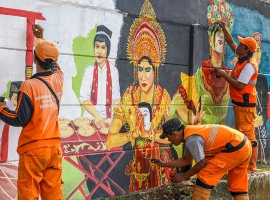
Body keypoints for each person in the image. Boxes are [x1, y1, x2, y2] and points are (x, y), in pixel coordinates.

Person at [106, 0, 174, 191]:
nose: (143, 75)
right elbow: (110, 140)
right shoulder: (129, 96)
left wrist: (151, 134)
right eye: (140, 69)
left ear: (155, 70)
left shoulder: (164, 97)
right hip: (138, 168)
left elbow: (173, 137)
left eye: (148, 70)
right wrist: (132, 134)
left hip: (161, 167)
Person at [0, 24, 64, 199]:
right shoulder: (59, 79)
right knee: (53, 195)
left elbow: (19, 118)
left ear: (34, 59)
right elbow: (53, 63)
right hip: (54, 149)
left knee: (28, 195)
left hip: (33, 152)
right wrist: (41, 39)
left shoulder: (29, 86)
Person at [152, 118, 251, 200]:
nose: (169, 141)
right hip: (244, 145)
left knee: (205, 175)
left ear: (174, 134)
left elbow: (202, 163)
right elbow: (186, 160)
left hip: (235, 147)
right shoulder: (189, 135)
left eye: (168, 137)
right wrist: (164, 164)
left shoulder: (192, 140)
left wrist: (184, 176)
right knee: (237, 185)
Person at [213, 21, 258, 173]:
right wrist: (224, 28)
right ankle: (245, 164)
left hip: (245, 107)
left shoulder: (249, 65)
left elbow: (240, 85)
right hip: (240, 104)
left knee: (248, 136)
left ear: (246, 49)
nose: (237, 46)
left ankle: (251, 167)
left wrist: (224, 75)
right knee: (242, 135)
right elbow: (231, 41)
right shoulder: (242, 57)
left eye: (241, 45)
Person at [80, 25, 120, 128]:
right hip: (90, 119)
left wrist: (113, 118)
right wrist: (97, 116)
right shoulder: (89, 70)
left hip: (108, 120)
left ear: (108, 50)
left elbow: (116, 98)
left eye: (103, 47)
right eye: (97, 46)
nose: (99, 51)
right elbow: (84, 98)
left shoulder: (114, 71)